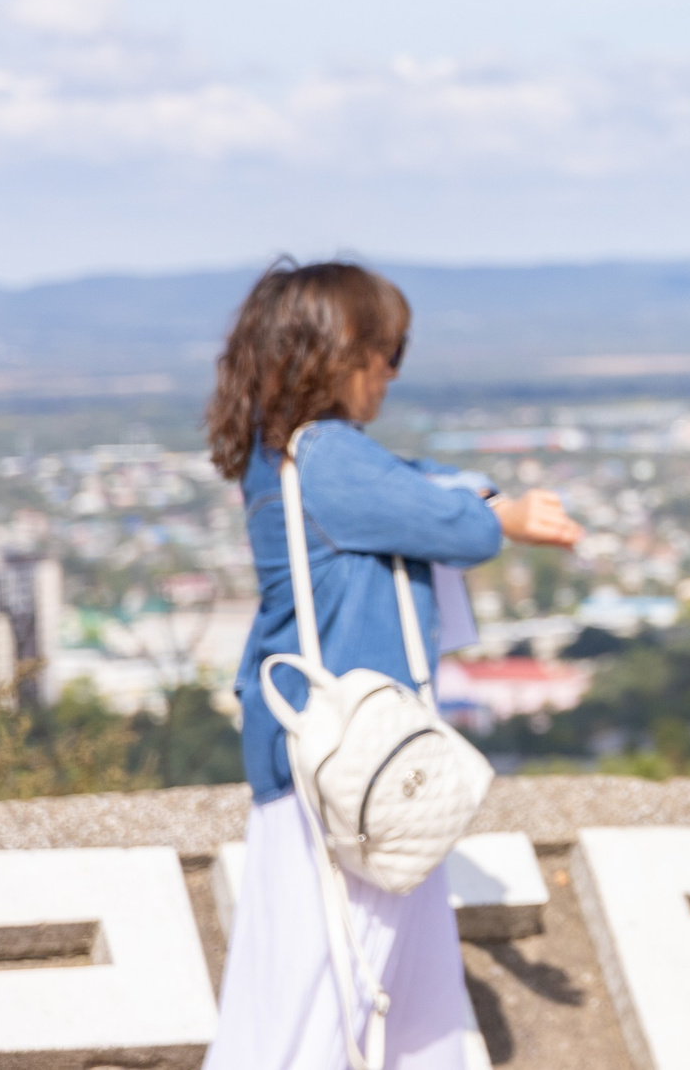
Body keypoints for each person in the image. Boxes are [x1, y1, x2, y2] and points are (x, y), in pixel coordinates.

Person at [205, 260, 580, 1070]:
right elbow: (453, 519)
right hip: (348, 763)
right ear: (341, 355)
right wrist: (502, 513)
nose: (393, 372)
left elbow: (422, 485)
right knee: (328, 997)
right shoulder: (329, 453)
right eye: (389, 351)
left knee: (326, 990)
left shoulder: (291, 452)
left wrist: (474, 497)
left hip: (338, 758)